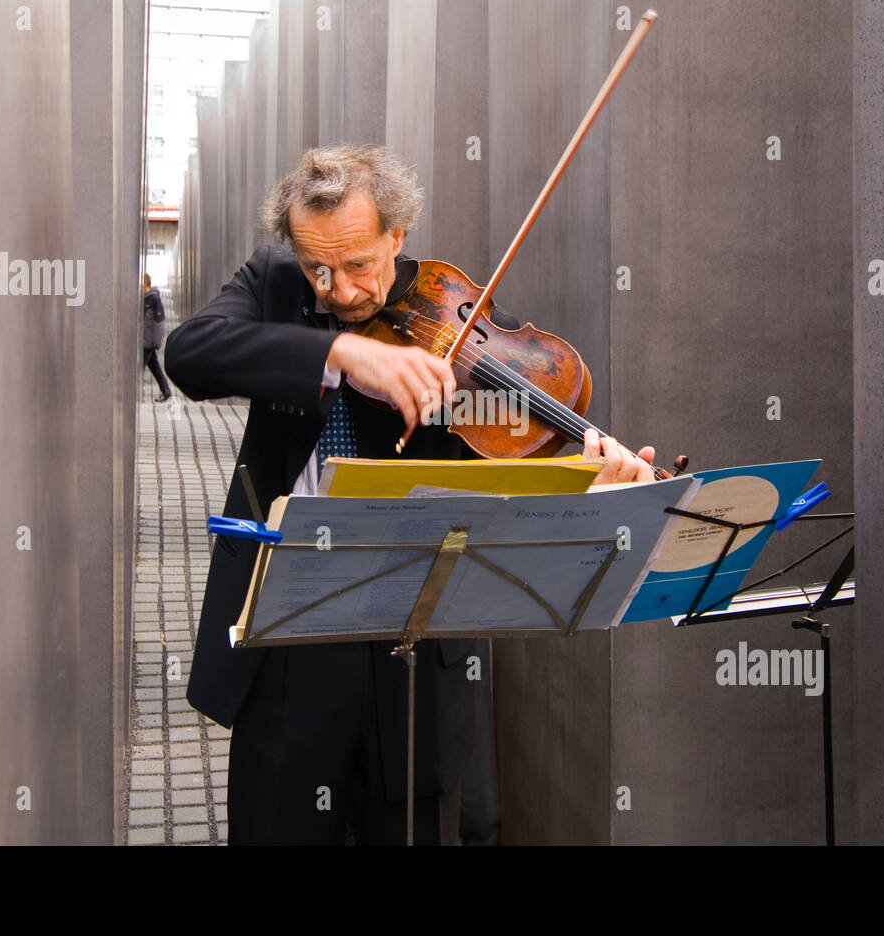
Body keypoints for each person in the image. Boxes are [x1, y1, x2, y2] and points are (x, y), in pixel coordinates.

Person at [164, 145, 654, 845]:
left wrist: (594, 471)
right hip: (290, 632)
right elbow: (190, 354)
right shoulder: (272, 284)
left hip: (417, 641)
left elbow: (518, 460)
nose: (338, 290)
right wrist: (337, 354)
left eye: (359, 263)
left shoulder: (461, 320)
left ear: (397, 235)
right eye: (318, 267)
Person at [142, 274, 172, 402]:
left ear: (145, 284)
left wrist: (154, 342)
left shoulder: (154, 299)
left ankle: (132, 392)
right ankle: (166, 391)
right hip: (146, 340)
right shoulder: (145, 298)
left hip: (148, 341)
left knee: (139, 366)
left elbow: (159, 323)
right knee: (154, 366)